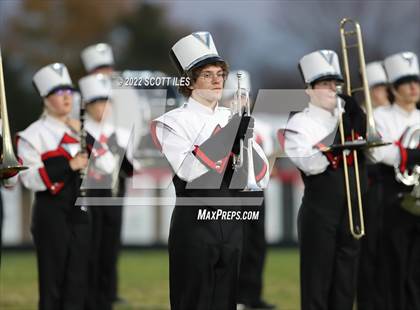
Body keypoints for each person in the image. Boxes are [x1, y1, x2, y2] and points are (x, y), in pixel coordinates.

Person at [150, 31, 269, 310]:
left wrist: (245, 141)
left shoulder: (232, 117)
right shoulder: (170, 122)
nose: (217, 80)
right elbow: (189, 171)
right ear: (190, 82)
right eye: (207, 74)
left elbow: (261, 176)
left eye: (220, 73)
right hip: (195, 227)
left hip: (232, 225)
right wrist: (230, 136)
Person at [284, 50, 368, 310]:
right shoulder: (299, 122)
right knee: (317, 284)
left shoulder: (349, 116)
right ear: (309, 89)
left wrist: (360, 120)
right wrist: (342, 130)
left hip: (351, 209)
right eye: (325, 84)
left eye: (336, 83)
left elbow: (372, 152)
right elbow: (312, 164)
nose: (333, 89)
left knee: (345, 283)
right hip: (319, 210)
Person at [17, 63, 90, 310]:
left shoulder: (81, 130)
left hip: (80, 213)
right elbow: (29, 178)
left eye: (69, 91)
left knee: (78, 281)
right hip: (51, 213)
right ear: (45, 99)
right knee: (53, 282)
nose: (67, 96)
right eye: (59, 92)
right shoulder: (32, 135)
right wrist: (68, 165)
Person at [78, 73, 134, 310]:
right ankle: (90, 299)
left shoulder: (118, 133)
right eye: (97, 103)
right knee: (91, 249)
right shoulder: (80, 133)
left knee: (110, 249)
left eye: (106, 102)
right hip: (91, 198)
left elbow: (130, 170)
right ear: (87, 106)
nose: (103, 108)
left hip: (114, 197)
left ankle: (107, 297)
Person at [222, 70, 276, 310]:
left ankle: (252, 295)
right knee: (234, 245)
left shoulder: (262, 125)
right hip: (231, 192)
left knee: (256, 244)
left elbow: (270, 156)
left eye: (245, 96)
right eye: (236, 96)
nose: (242, 101)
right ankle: (234, 297)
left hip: (256, 192)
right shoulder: (222, 123)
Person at [372, 51, 420, 310]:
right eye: (406, 82)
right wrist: (410, 154)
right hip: (393, 197)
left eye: (417, 81)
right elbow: (379, 152)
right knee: (394, 265)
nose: (414, 87)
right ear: (394, 88)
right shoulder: (381, 117)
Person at [357, 60, 390, 310]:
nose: (382, 93)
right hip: (372, 188)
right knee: (370, 252)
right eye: (376, 88)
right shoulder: (364, 116)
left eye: (383, 87)